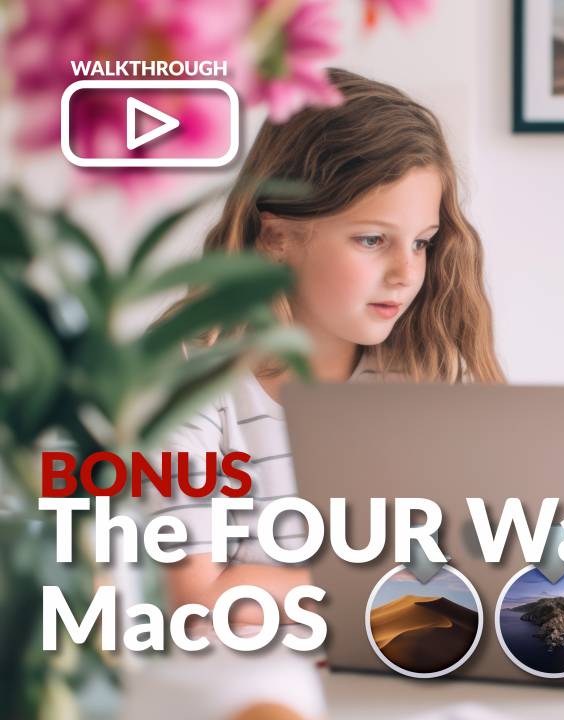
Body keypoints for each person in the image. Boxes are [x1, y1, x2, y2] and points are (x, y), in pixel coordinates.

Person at [153, 68, 503, 622]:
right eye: (372, 240)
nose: (405, 272)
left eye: (422, 243)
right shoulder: (193, 382)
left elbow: (479, 574)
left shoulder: (426, 373)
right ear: (277, 237)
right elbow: (195, 600)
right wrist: (385, 585)